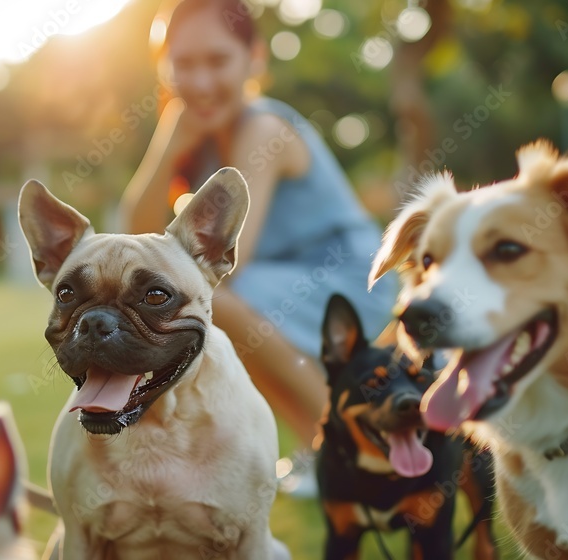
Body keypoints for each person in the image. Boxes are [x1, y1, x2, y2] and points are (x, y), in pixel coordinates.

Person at [120, 0, 397, 494]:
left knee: (203, 301)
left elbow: (226, 263)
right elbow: (133, 236)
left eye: (217, 60)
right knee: (201, 308)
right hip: (282, 286)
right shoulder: (203, 143)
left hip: (353, 281)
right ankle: (322, 448)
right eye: (183, 64)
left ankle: (353, 446)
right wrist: (168, 139)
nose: (200, 81)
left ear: (254, 60)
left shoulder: (262, 127)